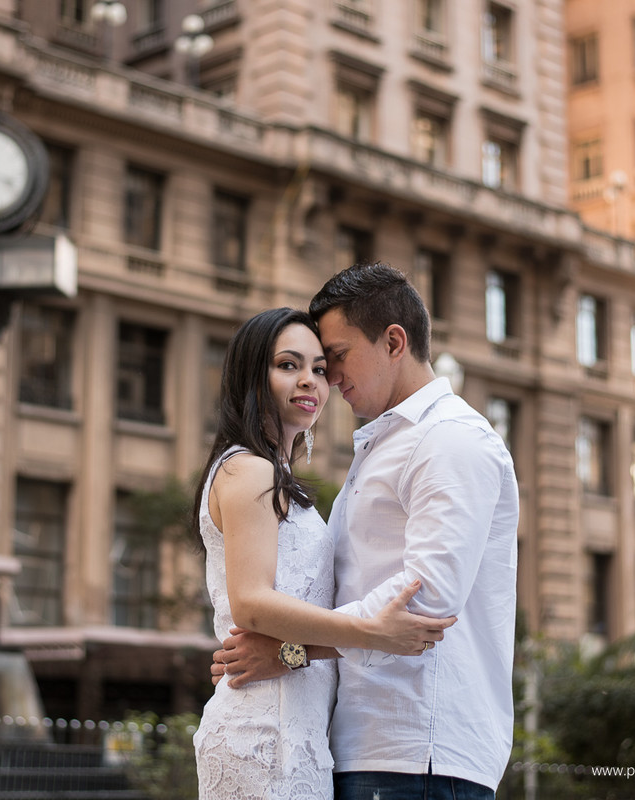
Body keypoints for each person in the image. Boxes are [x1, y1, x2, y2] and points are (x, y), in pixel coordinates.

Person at [212, 264, 520, 800]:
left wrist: (291, 651)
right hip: (362, 745)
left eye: (335, 356)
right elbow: (358, 607)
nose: (327, 376)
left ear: (394, 341)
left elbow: (421, 608)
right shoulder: (381, 444)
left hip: (419, 747)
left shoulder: (448, 440)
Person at [192, 306, 456, 800]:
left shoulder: (278, 480)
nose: (311, 381)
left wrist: (297, 653)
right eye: (288, 365)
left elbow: (286, 647)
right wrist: (370, 632)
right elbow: (250, 602)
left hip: (301, 736)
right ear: (252, 375)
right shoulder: (248, 470)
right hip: (261, 738)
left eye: (319, 368)